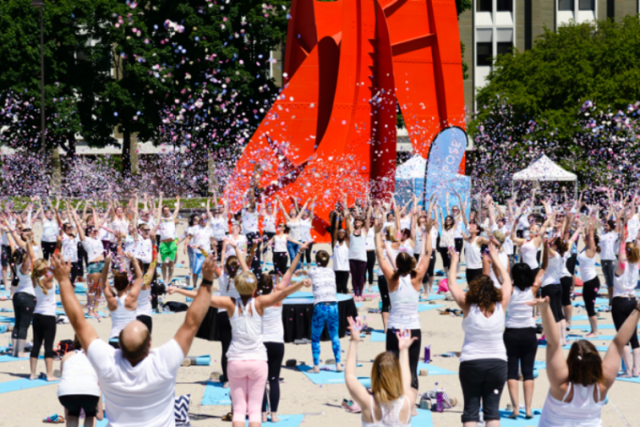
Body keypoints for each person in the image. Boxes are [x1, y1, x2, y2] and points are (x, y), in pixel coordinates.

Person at [52, 248, 216, 427]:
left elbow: (79, 322)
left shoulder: (107, 362)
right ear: (150, 344)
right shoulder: (163, 361)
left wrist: (63, 281)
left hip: (113, 337)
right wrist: (207, 279)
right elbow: (191, 323)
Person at [191, 242, 310, 427]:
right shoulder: (272, 296)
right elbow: (287, 278)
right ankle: (273, 414)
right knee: (273, 380)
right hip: (274, 344)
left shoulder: (253, 297)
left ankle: (261, 413)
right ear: (271, 285)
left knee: (250, 395)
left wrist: (237, 252)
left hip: (256, 345)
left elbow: (245, 272)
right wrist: (300, 259)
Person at [532, 292, 640, 426]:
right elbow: (619, 343)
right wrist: (638, 309)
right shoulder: (601, 387)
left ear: (569, 363)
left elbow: (553, 343)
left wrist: (545, 309)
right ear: (597, 364)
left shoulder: (561, 386)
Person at [447, 241, 512, 426]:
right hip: (498, 364)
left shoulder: (468, 306)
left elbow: (452, 283)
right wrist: (496, 260)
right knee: (492, 413)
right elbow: (507, 281)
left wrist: (454, 261)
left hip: (471, 363)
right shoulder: (501, 306)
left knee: (470, 412)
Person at [374, 213, 432, 408]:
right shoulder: (417, 277)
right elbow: (427, 254)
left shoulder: (392, 278)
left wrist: (376, 234)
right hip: (412, 327)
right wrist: (429, 232)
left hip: (394, 328)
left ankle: (394, 401)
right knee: (412, 367)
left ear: (397, 264)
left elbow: (380, 255)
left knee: (392, 367)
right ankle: (409, 405)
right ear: (412, 264)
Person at [344, 317, 415, 427]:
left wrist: (354, 341)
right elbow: (405, 380)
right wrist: (404, 350)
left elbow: (349, 376)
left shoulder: (367, 402)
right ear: (397, 375)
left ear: (374, 375)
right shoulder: (408, 401)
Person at [504, 259, 546, 419]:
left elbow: (501, 274)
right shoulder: (533, 289)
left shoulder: (510, 290)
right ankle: (528, 409)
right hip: (529, 333)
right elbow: (543, 268)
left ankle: (515, 409)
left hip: (512, 334)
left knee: (512, 372)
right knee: (528, 372)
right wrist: (545, 246)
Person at [0, 218, 36, 357]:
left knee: (17, 324)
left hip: (18, 296)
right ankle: (19, 352)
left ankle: (15, 350)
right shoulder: (25, 266)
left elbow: (13, 244)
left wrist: (10, 230)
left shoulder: (18, 264)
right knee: (24, 326)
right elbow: (30, 255)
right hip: (27, 297)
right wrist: (28, 242)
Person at [303, 250, 342, 373]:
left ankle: (316, 366)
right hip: (334, 305)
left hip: (320, 306)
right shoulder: (331, 271)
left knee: (315, 337)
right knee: (334, 336)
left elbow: (307, 278)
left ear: (315, 261)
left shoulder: (313, 272)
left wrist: (300, 272)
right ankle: (339, 364)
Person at [611, 215, 640, 377]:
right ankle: (637, 369)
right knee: (634, 337)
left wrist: (623, 235)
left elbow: (623, 251)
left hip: (620, 302)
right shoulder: (636, 264)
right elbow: (635, 249)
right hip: (633, 301)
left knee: (623, 339)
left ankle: (628, 370)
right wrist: (635, 237)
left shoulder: (622, 265)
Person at [98, 253, 144, 347]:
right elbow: (139, 277)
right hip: (130, 338)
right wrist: (133, 259)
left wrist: (107, 263)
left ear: (114, 285)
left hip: (114, 338)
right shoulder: (131, 298)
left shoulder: (111, 299)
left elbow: (104, 279)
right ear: (128, 286)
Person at [57, 336, 104, 427]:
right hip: (90, 392)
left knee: (72, 414)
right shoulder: (96, 357)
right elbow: (98, 385)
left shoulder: (67, 356)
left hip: (66, 393)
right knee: (90, 414)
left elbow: (65, 380)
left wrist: (67, 412)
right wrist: (99, 411)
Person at [29, 240, 59, 381]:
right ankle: (49, 374)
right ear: (44, 269)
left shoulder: (34, 278)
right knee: (48, 345)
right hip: (48, 315)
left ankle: (32, 374)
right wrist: (58, 247)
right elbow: (56, 268)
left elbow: (35, 262)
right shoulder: (47, 278)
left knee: (36, 344)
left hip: (37, 315)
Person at [71, 207, 106, 317]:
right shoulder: (86, 239)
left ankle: (95, 310)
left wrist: (94, 211)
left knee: (100, 290)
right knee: (92, 289)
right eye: (93, 230)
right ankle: (90, 309)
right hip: (93, 265)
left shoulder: (97, 238)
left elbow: (96, 223)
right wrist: (74, 214)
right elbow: (78, 226)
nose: (96, 231)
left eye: (96, 230)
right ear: (88, 231)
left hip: (103, 264)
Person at [344, 194, 371, 301]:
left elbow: (368, 219)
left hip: (362, 257)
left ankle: (360, 294)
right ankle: (356, 294)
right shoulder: (351, 230)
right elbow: (346, 219)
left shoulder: (364, 231)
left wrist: (369, 206)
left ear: (362, 222)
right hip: (352, 257)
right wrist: (345, 201)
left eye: (359, 220)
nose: (357, 221)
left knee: (361, 277)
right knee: (354, 277)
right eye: (356, 220)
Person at [577, 217, 601, 337]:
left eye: (588, 236)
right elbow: (587, 232)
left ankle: (595, 331)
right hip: (588, 281)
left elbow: (590, 232)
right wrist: (586, 223)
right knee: (588, 306)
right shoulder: (585, 248)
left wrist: (592, 221)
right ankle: (593, 329)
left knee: (590, 307)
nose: (585, 236)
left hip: (592, 281)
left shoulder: (591, 249)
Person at [157, 193, 181, 284]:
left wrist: (178, 200)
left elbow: (177, 209)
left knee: (171, 262)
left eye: (168, 210)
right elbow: (159, 210)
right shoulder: (161, 219)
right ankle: (164, 279)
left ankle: (170, 279)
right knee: (163, 263)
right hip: (163, 244)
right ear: (163, 212)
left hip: (172, 243)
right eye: (165, 211)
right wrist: (161, 197)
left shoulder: (172, 218)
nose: (167, 212)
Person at [599, 219, 619, 304]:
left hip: (612, 260)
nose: (605, 226)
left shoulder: (614, 234)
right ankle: (610, 300)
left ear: (611, 226)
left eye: (607, 225)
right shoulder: (602, 235)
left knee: (613, 281)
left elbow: (618, 224)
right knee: (608, 281)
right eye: (604, 225)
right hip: (603, 260)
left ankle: (614, 300)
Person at [332, 224, 351, 295]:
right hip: (336, 269)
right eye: (340, 232)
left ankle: (345, 302)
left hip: (345, 269)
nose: (341, 234)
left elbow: (348, 230)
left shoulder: (347, 243)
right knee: (338, 287)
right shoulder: (335, 242)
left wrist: (346, 219)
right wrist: (337, 218)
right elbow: (336, 228)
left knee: (344, 286)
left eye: (343, 233)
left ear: (345, 235)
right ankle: (339, 303)